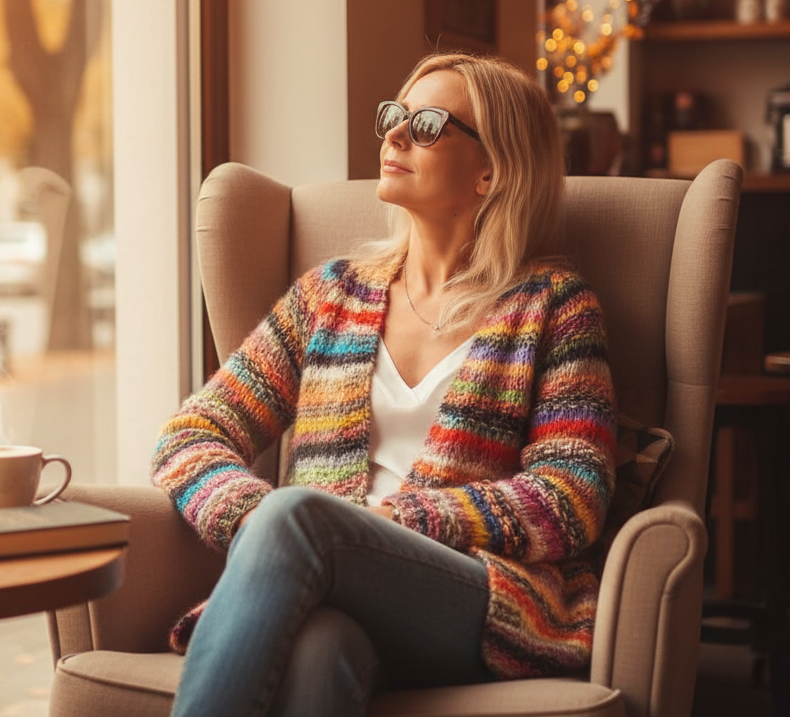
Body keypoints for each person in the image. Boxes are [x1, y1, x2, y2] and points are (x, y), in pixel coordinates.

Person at [151, 52, 617, 717]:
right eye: (395, 117)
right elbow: (191, 434)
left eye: (427, 124)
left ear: (492, 169)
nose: (394, 135)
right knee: (318, 649)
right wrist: (258, 523)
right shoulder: (329, 296)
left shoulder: (554, 307)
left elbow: (572, 495)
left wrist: (394, 520)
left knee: (298, 515)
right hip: (324, 582)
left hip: (474, 597)